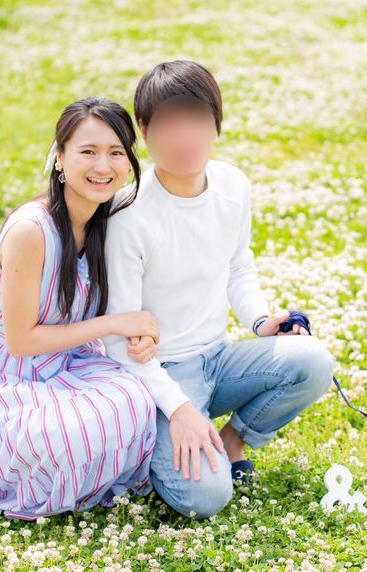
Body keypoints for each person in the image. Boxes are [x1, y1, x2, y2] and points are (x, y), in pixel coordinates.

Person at [101, 60, 337, 520]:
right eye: (170, 123)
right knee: (206, 497)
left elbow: (237, 266)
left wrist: (261, 321)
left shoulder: (232, 184)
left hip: (218, 356)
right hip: (161, 372)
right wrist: (180, 409)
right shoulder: (127, 216)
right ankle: (156, 444)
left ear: (216, 126)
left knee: (314, 361)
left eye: (197, 120)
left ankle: (231, 442)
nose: (185, 136)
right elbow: (118, 342)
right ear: (144, 132)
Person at [0, 97, 161, 520]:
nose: (102, 166)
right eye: (88, 151)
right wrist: (114, 323)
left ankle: (78, 472)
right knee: (64, 434)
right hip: (8, 378)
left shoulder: (107, 220)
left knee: (138, 399)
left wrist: (144, 331)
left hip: (70, 364)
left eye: (116, 153)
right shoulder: (32, 230)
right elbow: (20, 341)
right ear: (60, 158)